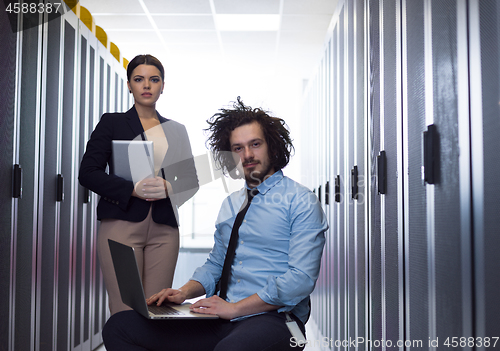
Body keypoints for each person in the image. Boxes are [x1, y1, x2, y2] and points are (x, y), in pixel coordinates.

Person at [102, 97, 328, 350]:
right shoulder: (231, 204)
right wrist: (184, 292)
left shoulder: (301, 201)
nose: (248, 155)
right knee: (120, 326)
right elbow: (216, 264)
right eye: (238, 148)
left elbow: (300, 280)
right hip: (223, 316)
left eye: (255, 144)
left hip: (275, 319)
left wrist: (234, 309)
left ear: (272, 147)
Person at [79, 54, 199, 315]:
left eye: (154, 80)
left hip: (165, 230)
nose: (147, 85)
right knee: (126, 310)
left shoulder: (176, 129)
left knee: (158, 311)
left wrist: (170, 187)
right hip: (121, 227)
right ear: (129, 85)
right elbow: (88, 173)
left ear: (162, 85)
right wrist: (130, 189)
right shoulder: (112, 122)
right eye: (139, 79)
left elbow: (190, 179)